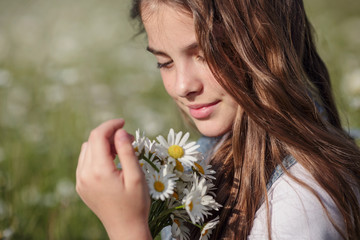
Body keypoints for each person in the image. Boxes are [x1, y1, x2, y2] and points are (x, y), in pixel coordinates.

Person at [75, 0, 360, 239]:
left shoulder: (303, 200)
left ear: (266, 43)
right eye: (165, 62)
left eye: (207, 54)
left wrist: (127, 228)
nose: (182, 86)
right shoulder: (207, 156)